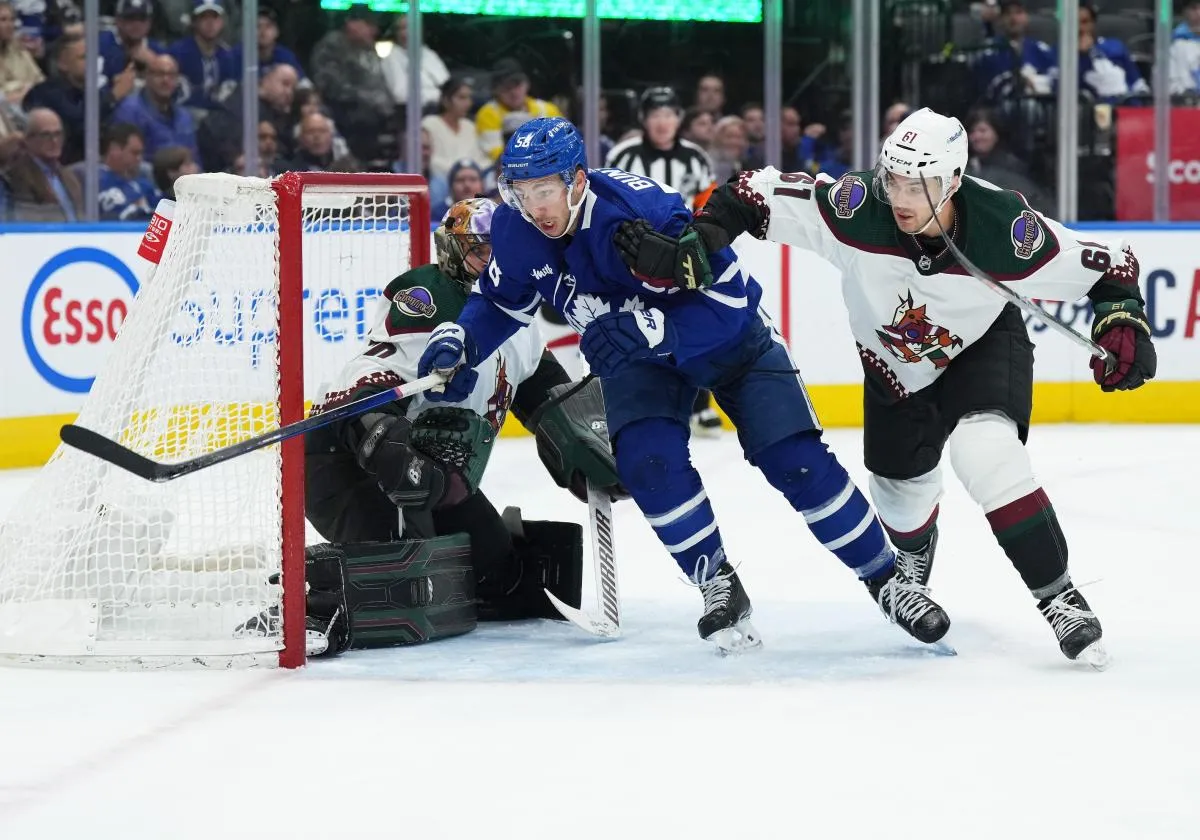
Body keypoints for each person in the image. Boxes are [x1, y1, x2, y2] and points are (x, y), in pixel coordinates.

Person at [614, 107, 1157, 667]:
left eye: (916, 184)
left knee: (986, 454)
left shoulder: (1007, 230)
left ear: (951, 181)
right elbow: (753, 193)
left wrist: (1122, 319)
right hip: (893, 367)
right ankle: (915, 555)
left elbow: (1111, 266)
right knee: (899, 495)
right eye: (892, 177)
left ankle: (1059, 596)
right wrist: (700, 242)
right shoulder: (856, 208)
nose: (898, 195)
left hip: (983, 348)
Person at [415, 116, 951, 654]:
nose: (536, 207)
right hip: (640, 363)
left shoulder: (645, 210)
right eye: (522, 191)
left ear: (577, 180)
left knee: (796, 460)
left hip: (730, 345)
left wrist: (657, 325)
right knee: (648, 467)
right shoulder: (515, 229)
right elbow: (502, 302)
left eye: (546, 190)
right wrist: (462, 338)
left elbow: (732, 300)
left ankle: (889, 579)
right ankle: (717, 583)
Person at [296, 198, 627, 655]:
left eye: (504, 250)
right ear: (452, 251)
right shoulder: (429, 298)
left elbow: (549, 397)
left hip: (435, 476)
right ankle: (307, 600)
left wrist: (589, 444)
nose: (495, 261)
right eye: (481, 250)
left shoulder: (519, 317)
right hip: (345, 463)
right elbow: (364, 377)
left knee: (499, 576)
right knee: (402, 588)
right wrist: (382, 437)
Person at [604, 87, 720, 436]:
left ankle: (698, 406)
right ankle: (634, 401)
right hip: (632, 254)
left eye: (669, 114)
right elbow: (606, 199)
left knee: (690, 325)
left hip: (681, 255)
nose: (663, 122)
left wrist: (703, 243)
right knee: (633, 323)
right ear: (643, 118)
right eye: (656, 114)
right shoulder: (624, 155)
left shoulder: (695, 157)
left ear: (679, 119)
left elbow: (709, 204)